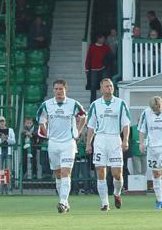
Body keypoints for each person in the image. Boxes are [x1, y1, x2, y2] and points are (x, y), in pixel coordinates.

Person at [36, 79, 87, 213]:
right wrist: (47, 134)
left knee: (66, 172)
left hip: (68, 143)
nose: (58, 91)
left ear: (66, 89)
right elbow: (41, 121)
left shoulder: (73, 104)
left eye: (61, 89)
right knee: (58, 174)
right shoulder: (46, 105)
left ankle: (63, 202)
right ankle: (64, 201)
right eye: (56, 89)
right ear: (53, 90)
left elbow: (83, 116)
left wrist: (78, 132)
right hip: (53, 143)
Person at [85, 78, 130, 211]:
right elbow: (91, 126)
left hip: (115, 138)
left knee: (117, 174)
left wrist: (125, 140)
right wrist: (88, 143)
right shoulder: (95, 105)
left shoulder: (121, 103)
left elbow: (126, 124)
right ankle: (105, 203)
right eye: (106, 86)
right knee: (100, 171)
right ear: (101, 89)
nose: (109, 88)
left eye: (110, 86)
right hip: (100, 139)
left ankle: (117, 193)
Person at [0, 116, 16, 195]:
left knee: (8, 171)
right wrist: (1, 140)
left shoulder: (10, 130)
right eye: (0, 122)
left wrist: (7, 138)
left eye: (3, 121)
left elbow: (14, 141)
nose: (2, 123)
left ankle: (9, 189)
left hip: (8, 152)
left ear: (5, 122)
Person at [85, 34, 112, 103]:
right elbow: (88, 58)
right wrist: (87, 68)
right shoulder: (92, 47)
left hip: (103, 69)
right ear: (99, 39)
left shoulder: (106, 47)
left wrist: (106, 64)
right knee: (93, 86)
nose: (104, 40)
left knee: (105, 85)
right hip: (94, 69)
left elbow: (110, 56)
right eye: (102, 38)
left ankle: (106, 100)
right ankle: (93, 102)